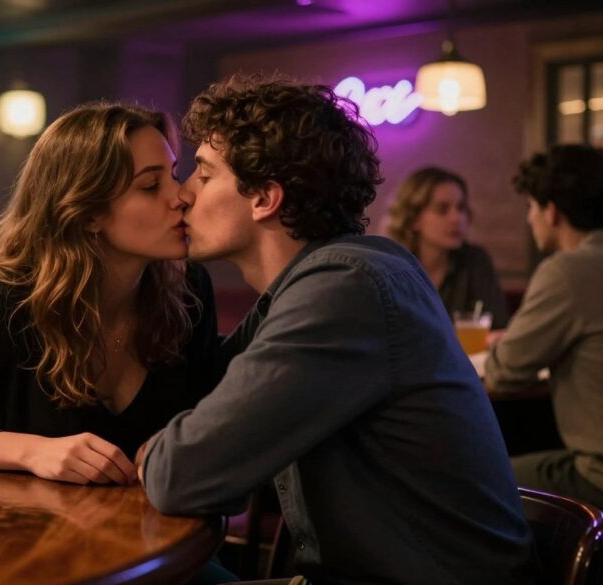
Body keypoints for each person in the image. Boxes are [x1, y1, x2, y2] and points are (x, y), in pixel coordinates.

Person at [136, 76, 537, 585]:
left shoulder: (344, 288)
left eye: (204, 174)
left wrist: (155, 449)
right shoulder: (319, 282)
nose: (183, 195)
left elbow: (184, 474)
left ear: (265, 198)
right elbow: (198, 395)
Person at [0, 103, 219, 487]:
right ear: (87, 212)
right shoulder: (14, 300)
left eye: (174, 174)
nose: (182, 195)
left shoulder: (190, 292)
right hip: (40, 538)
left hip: (169, 538)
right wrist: (28, 451)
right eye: (151, 185)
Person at [485, 144, 603, 520]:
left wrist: (503, 346)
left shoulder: (566, 271)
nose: (529, 219)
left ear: (551, 212)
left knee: (478, 480)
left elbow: (502, 375)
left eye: (530, 207)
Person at [386, 167, 508, 328]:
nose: (456, 218)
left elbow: (498, 328)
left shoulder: (475, 261)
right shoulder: (394, 267)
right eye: (442, 209)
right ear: (414, 218)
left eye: (461, 208)